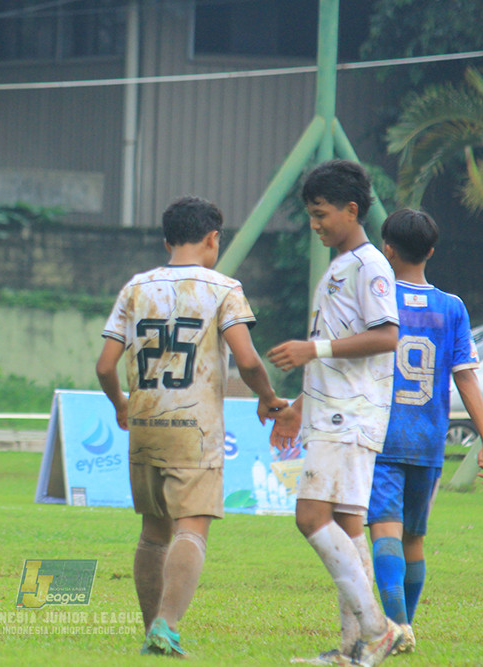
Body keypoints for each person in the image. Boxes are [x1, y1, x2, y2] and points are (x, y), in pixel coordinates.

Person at [95, 195, 292, 657]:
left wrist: (121, 404)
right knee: (191, 528)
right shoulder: (224, 289)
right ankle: (166, 626)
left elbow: (105, 366)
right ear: (212, 238)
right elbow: (246, 359)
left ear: (167, 240)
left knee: (152, 532)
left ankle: (152, 628)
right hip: (195, 426)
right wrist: (268, 397)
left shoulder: (136, 288)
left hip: (144, 419)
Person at [267, 160, 402, 667]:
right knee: (347, 525)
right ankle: (351, 650)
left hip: (351, 416)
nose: (315, 224)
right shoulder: (341, 263)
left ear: (351, 209)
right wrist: (301, 406)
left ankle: (378, 628)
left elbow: (388, 335)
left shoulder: (370, 265)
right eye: (309, 214)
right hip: (333, 411)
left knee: (309, 517)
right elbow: (342, 347)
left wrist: (311, 350)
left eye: (321, 214)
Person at [368, 208, 483, 654]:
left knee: (383, 531)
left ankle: (396, 626)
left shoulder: (378, 300)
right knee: (414, 537)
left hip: (381, 436)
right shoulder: (452, 307)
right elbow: (466, 376)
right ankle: (405, 628)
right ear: (430, 250)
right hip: (428, 440)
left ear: (387, 248)